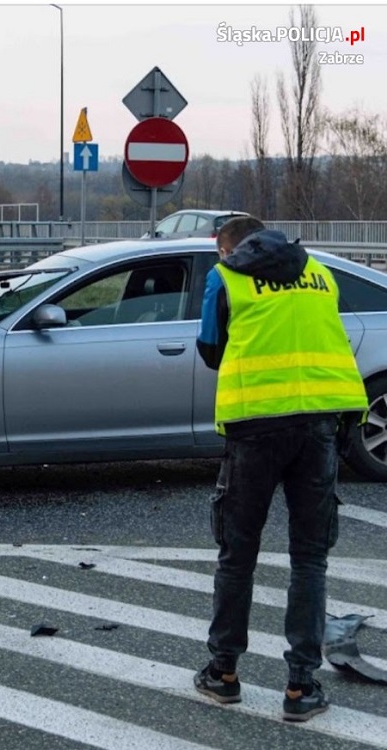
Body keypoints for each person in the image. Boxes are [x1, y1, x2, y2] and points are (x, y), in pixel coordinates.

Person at [193, 215, 368, 721]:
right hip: (319, 424)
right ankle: (300, 688)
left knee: (237, 555)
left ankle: (223, 673)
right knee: (309, 559)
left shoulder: (225, 275)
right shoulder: (318, 271)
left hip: (254, 427)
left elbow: (210, 349)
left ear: (226, 246)